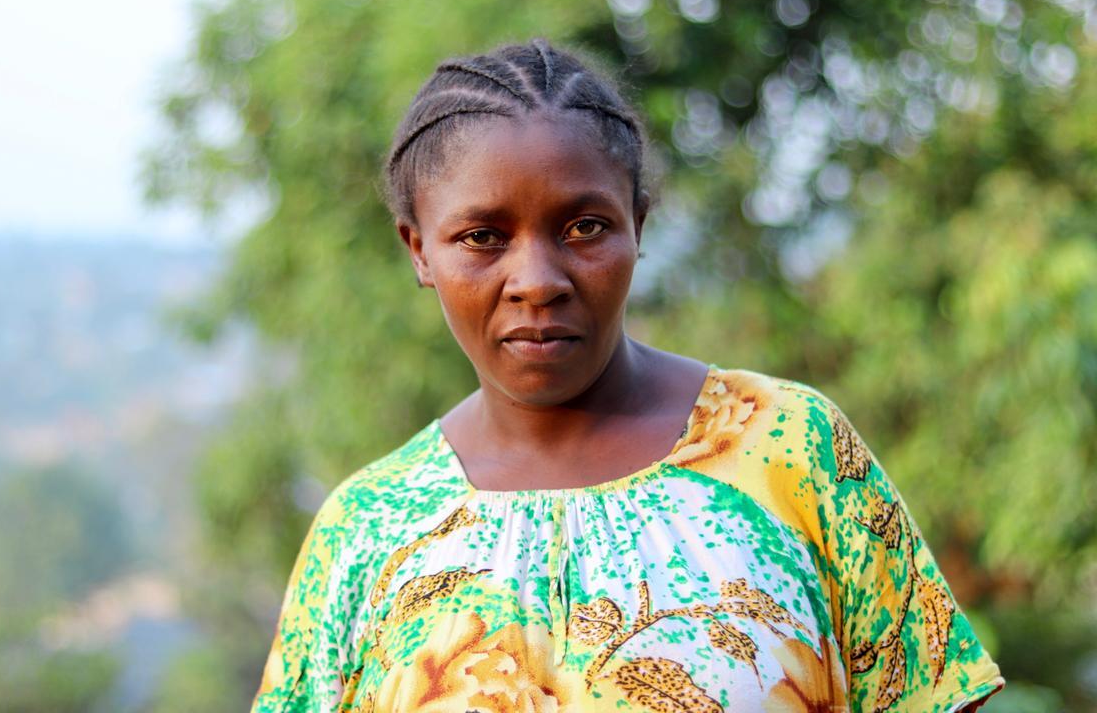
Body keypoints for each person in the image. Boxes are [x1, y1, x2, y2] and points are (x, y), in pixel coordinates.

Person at [249, 40, 1003, 712]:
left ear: (638, 223)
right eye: (482, 237)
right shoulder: (368, 530)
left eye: (584, 227)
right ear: (419, 250)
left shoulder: (789, 449)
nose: (537, 280)